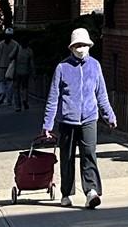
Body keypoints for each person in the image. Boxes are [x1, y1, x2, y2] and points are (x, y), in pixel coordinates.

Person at [39, 28, 116, 208]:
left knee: (89, 155)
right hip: (67, 121)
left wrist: (109, 115)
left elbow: (101, 94)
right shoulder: (62, 68)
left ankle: (91, 192)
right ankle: (66, 193)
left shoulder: (95, 66)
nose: (81, 48)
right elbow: (53, 98)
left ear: (89, 46)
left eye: (84, 45)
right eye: (77, 45)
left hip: (89, 118)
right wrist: (47, 124)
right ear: (71, 47)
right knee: (67, 158)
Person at [0, 34, 17, 105]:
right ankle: (9, 99)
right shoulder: (15, 44)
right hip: (11, 66)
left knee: (0, 81)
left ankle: (1, 93)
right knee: (10, 83)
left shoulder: (0, 44)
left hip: (1, 66)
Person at [10, 38, 35, 110]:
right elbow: (31, 63)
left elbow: (10, 57)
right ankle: (25, 99)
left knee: (16, 88)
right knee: (25, 87)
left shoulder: (17, 49)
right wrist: (33, 73)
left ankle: (18, 105)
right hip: (26, 72)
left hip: (17, 71)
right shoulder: (29, 51)